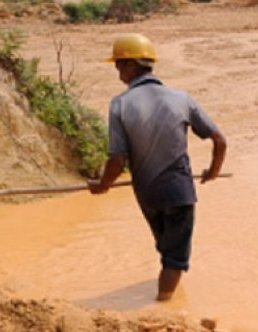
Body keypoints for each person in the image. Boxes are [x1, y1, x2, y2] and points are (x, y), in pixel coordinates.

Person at [88, 33, 228, 301]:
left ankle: (163, 302)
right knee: (175, 257)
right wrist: (214, 171)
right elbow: (219, 141)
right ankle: (163, 305)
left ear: (132, 65)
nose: (117, 71)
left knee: (166, 249)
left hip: (147, 195)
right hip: (179, 192)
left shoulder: (120, 104)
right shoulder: (182, 99)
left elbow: (118, 159)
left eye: (119, 64)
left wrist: (103, 186)